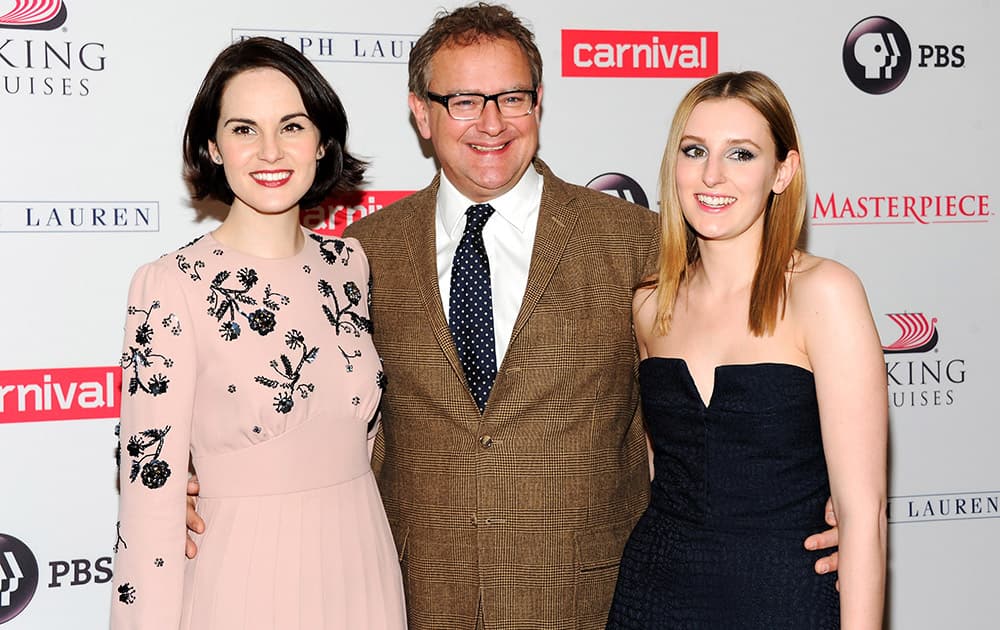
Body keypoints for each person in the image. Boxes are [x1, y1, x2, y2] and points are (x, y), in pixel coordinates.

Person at [187, 6, 842, 629]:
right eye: (463, 101)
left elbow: (735, 387)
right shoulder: (359, 257)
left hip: (600, 603)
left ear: (538, 103)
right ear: (422, 113)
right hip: (415, 601)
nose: (491, 123)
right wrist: (200, 479)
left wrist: (819, 503)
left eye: (511, 98)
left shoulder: (640, 243)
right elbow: (296, 393)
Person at [111, 37, 406, 630]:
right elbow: (148, 501)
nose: (270, 150)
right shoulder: (171, 285)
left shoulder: (349, 265)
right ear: (213, 147)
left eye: (292, 125)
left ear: (322, 142)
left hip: (363, 563)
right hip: (245, 575)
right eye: (244, 129)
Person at [605, 70, 888, 629]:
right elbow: (665, 469)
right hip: (655, 595)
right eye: (695, 151)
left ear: (783, 171)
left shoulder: (824, 294)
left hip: (786, 598)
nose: (712, 175)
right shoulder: (650, 307)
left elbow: (864, 517)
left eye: (741, 154)